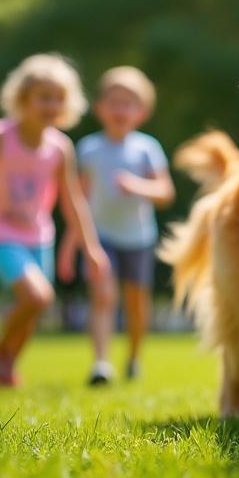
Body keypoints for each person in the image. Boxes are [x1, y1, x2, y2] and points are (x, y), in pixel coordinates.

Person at [0, 54, 110, 387]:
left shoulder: (60, 148)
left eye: (59, 98)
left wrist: (92, 248)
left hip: (39, 235)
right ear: (22, 99)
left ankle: (6, 363)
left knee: (33, 311)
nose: (51, 104)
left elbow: (73, 202)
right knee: (38, 297)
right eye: (43, 97)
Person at [59, 66, 174, 385]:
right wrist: (70, 247)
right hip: (100, 237)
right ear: (100, 109)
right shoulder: (88, 149)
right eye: (114, 102)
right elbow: (78, 201)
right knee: (102, 296)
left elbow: (165, 192)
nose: (120, 109)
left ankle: (134, 357)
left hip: (139, 238)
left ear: (142, 112)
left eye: (129, 103)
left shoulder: (146, 149)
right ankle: (101, 363)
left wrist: (138, 186)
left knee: (136, 306)